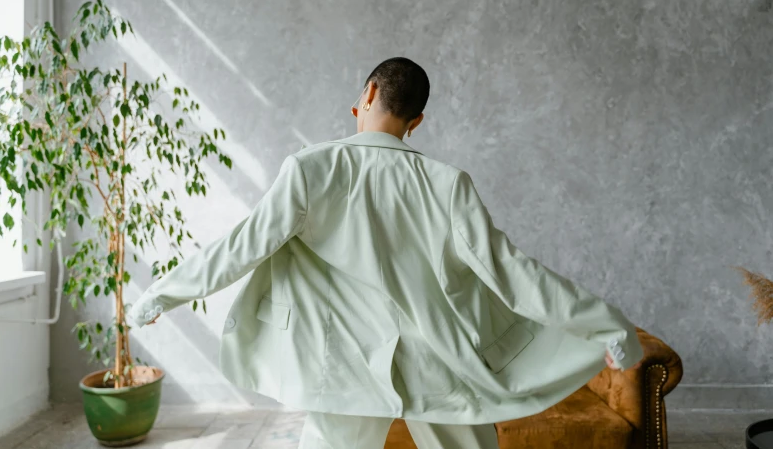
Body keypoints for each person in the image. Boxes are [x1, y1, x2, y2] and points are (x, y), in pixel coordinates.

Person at [130, 57, 644, 449]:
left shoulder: (311, 169)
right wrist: (605, 326)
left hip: (343, 365)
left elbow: (242, 246)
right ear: (416, 121)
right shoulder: (447, 184)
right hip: (440, 361)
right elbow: (511, 273)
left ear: (368, 93)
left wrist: (162, 295)